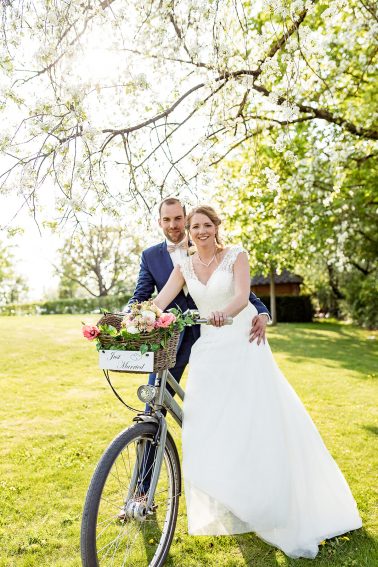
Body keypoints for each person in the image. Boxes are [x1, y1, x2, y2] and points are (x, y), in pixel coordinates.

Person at [152, 205, 362, 559]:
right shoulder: (184, 265)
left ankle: (274, 498)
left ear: (217, 227)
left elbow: (241, 295)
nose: (201, 231)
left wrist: (227, 315)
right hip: (210, 350)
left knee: (255, 420)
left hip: (242, 342)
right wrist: (141, 316)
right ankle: (235, 493)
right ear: (188, 231)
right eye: (194, 226)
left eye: (206, 225)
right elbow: (161, 299)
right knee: (208, 425)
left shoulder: (236, 255)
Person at [128, 198, 270, 494]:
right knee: (153, 408)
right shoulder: (155, 256)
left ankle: (243, 476)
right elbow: (148, 298)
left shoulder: (228, 253)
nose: (174, 225)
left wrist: (262, 312)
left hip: (220, 337)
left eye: (179, 219)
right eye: (167, 220)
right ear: (160, 222)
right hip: (172, 344)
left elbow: (239, 290)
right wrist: (132, 319)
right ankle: (142, 490)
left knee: (231, 410)